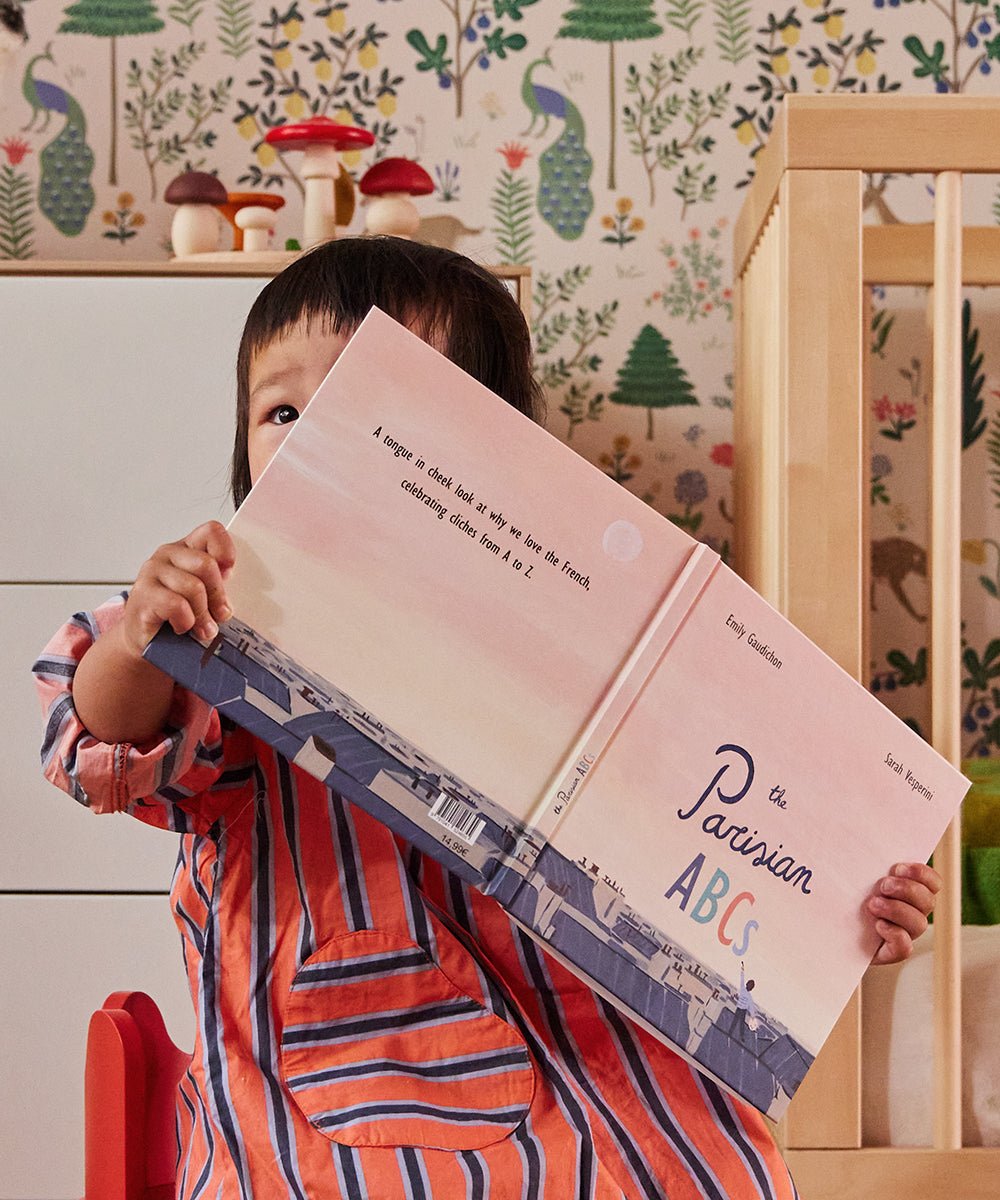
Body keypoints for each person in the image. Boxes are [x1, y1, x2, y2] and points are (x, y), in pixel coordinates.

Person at [34, 236, 940, 1200]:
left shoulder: (594, 641)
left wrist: (842, 910)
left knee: (704, 1167)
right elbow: (108, 746)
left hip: (600, 1079)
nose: (319, 438)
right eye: (285, 412)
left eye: (381, 408)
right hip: (333, 1111)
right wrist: (141, 637)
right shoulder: (223, 615)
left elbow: (725, 846)